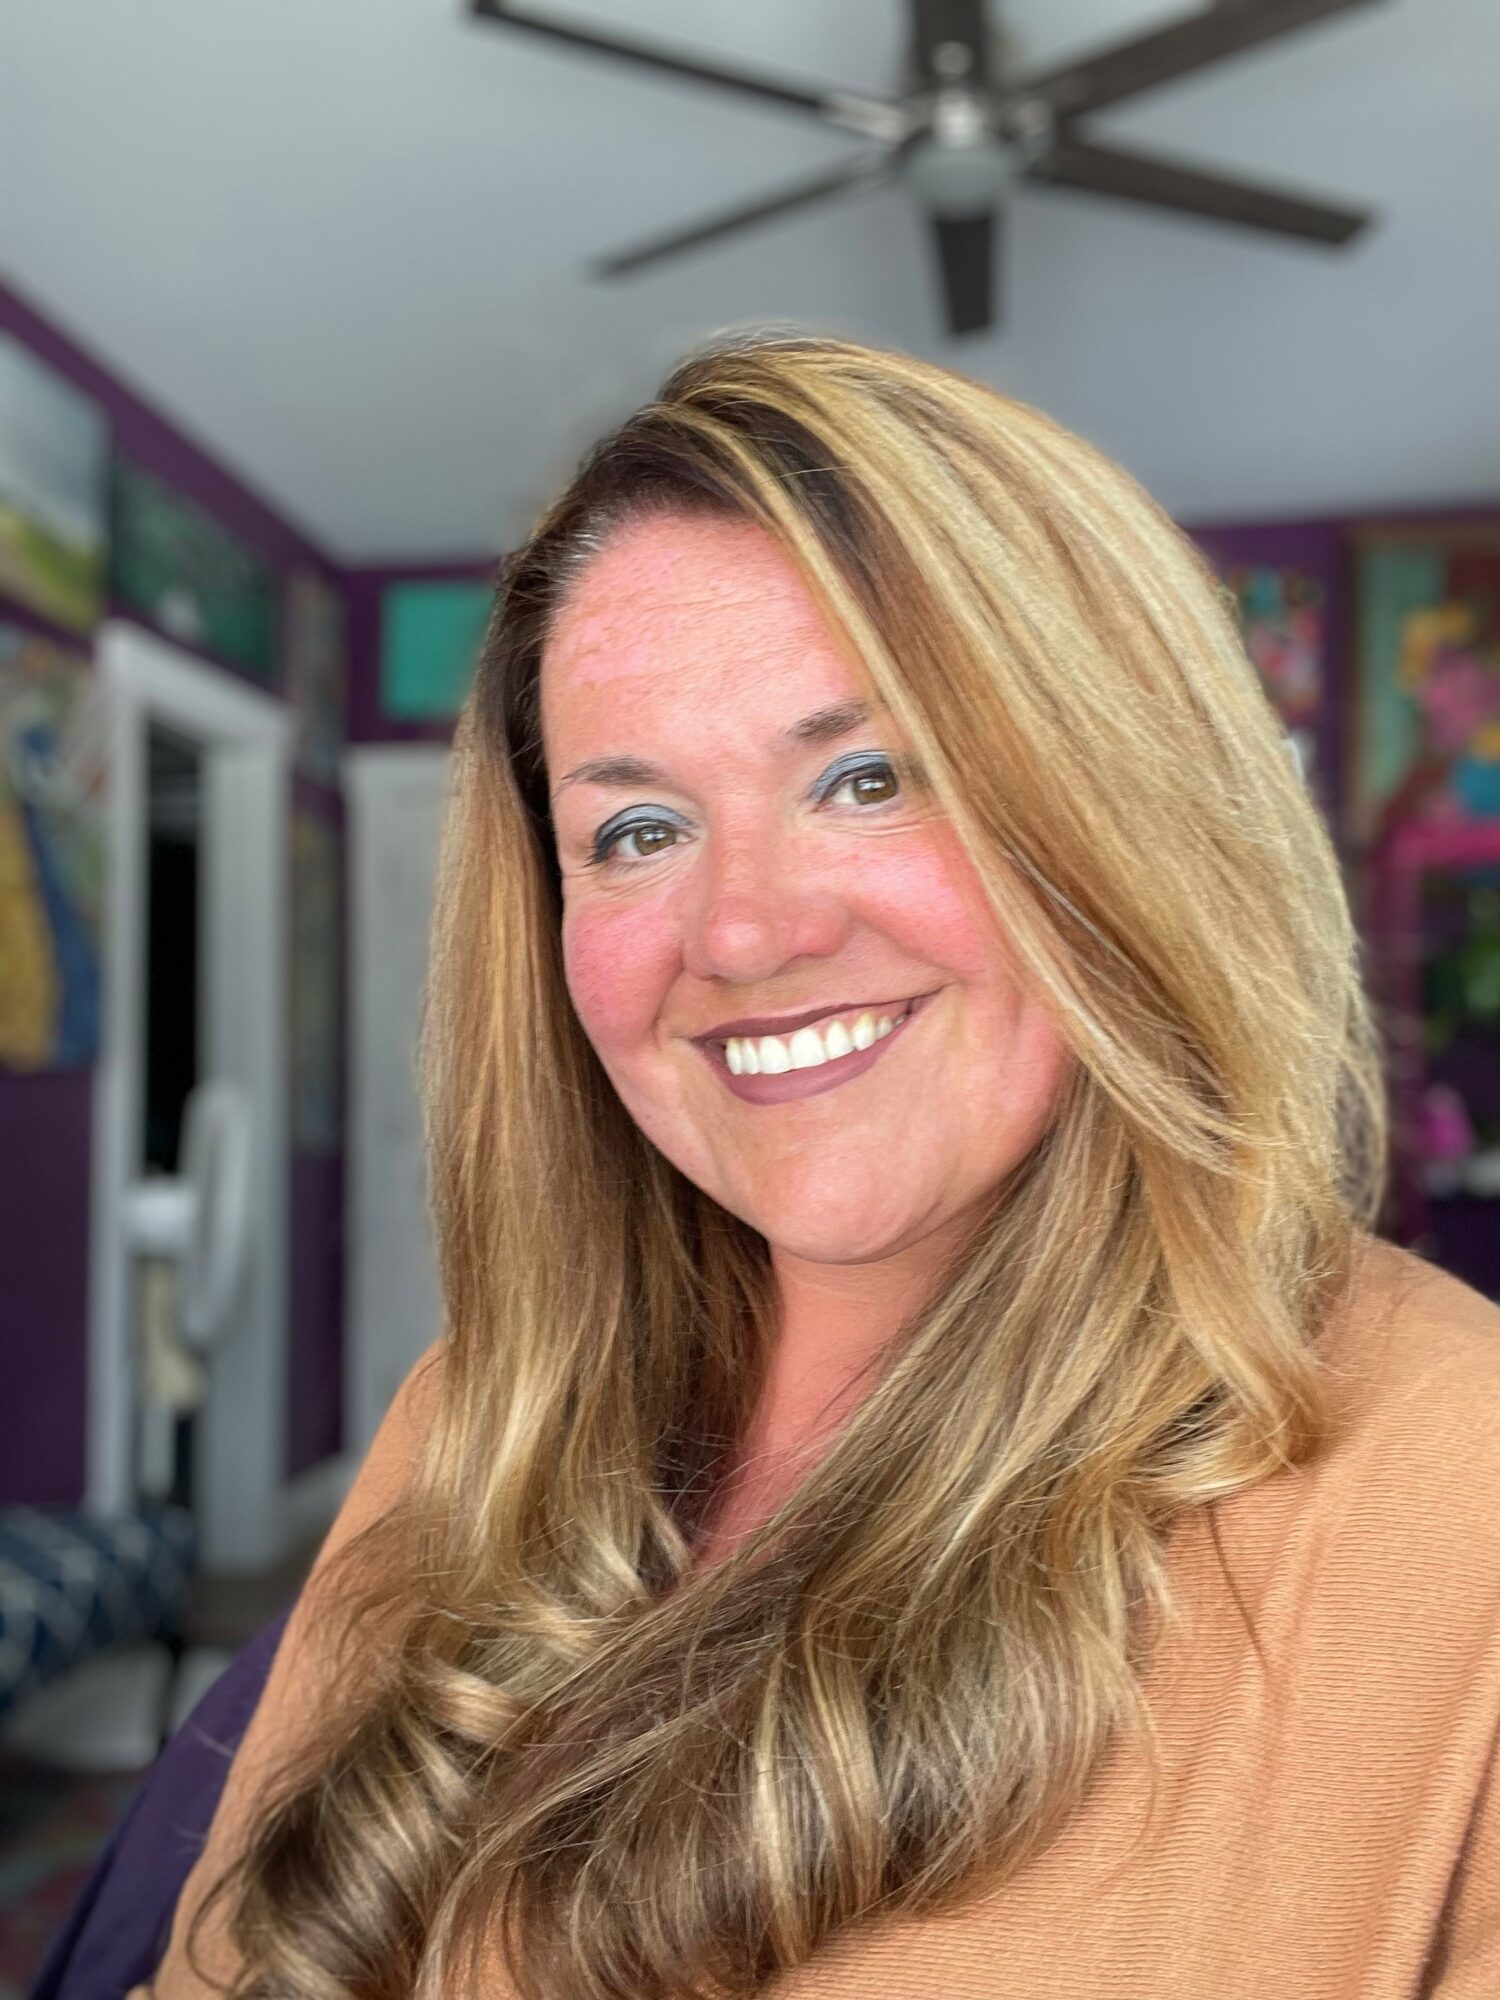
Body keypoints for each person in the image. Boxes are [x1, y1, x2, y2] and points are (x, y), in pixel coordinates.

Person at [132, 333, 1500, 2000]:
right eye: (639, 830)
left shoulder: (1457, 1507)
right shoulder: (484, 1409)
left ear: (1130, 810)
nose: (744, 933)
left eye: (868, 778)